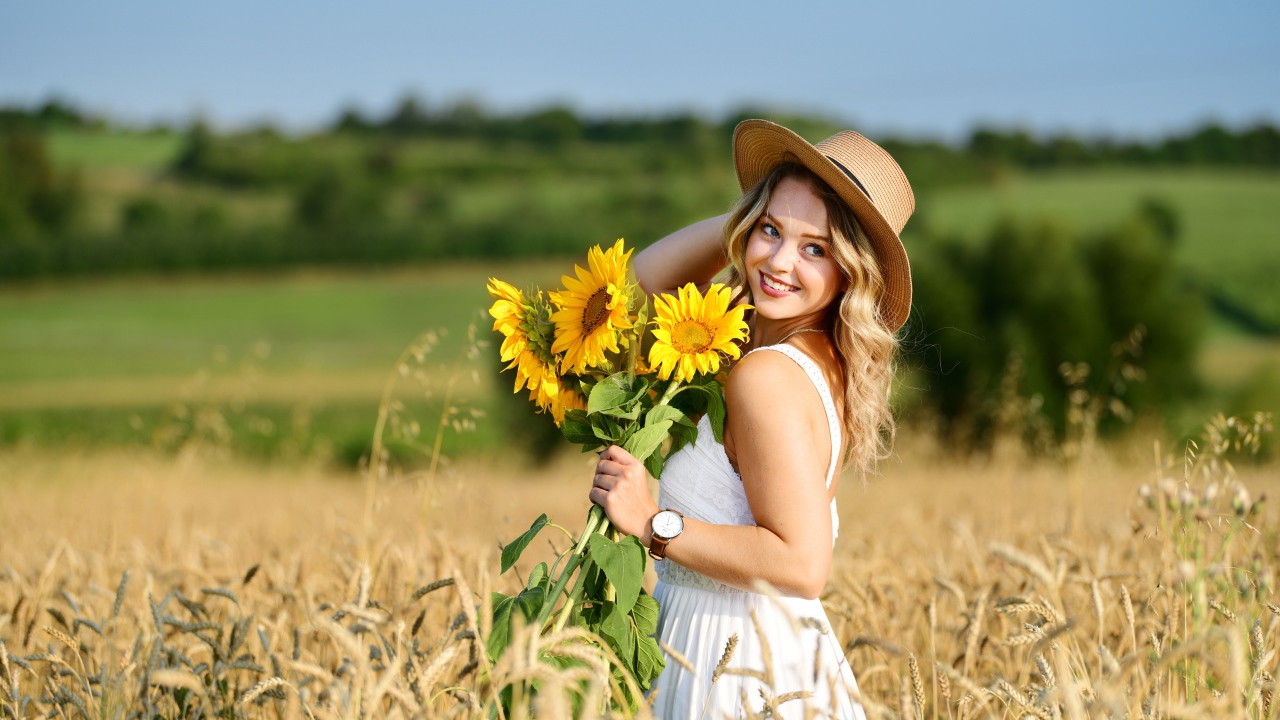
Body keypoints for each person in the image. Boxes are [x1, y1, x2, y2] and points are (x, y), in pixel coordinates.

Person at [587, 119, 915, 719]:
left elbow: (801, 563)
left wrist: (650, 522)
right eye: (772, 231)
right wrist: (749, 221)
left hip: (737, 670)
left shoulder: (767, 377)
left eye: (815, 248)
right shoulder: (805, 352)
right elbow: (641, 288)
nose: (779, 261)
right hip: (746, 654)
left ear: (850, 270)